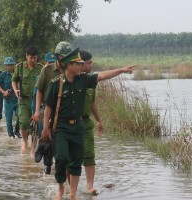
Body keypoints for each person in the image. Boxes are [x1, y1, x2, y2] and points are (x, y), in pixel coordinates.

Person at [41, 48, 136, 200]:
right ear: (69, 65)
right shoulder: (56, 83)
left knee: (76, 160)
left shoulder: (84, 80)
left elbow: (103, 76)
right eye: (78, 64)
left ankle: (73, 193)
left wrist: (121, 70)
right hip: (61, 128)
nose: (81, 67)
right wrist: (45, 128)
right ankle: (60, 190)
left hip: (78, 127)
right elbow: (48, 107)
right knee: (61, 159)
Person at [32, 41, 73, 174]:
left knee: (63, 146)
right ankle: (47, 162)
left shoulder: (71, 70)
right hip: (48, 109)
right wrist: (37, 111)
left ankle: (64, 171)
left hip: (64, 112)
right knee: (46, 136)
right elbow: (39, 91)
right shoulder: (47, 70)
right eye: (62, 57)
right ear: (57, 56)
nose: (65, 59)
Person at [11, 46, 43, 154]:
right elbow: (14, 80)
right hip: (23, 101)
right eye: (31, 58)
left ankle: (33, 146)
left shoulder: (41, 68)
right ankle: (25, 141)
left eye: (35, 58)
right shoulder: (20, 67)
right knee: (24, 122)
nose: (33, 60)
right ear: (26, 56)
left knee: (35, 124)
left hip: (36, 101)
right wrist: (15, 90)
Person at [79, 50, 103, 195]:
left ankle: (89, 186)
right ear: (80, 64)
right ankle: (71, 188)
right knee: (71, 157)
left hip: (86, 123)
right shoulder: (69, 80)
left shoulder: (90, 82)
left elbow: (92, 102)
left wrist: (99, 120)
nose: (91, 65)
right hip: (71, 124)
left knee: (89, 155)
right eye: (89, 63)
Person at [0, 57, 21, 138]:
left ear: (13, 65)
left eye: (11, 65)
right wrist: (3, 92)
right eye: (8, 65)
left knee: (20, 116)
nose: (9, 67)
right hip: (8, 100)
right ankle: (11, 135)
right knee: (8, 119)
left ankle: (17, 132)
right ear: (6, 66)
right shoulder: (3, 75)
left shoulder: (18, 74)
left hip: (17, 99)